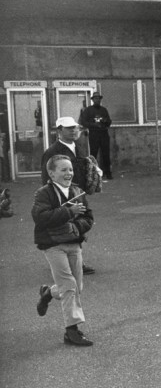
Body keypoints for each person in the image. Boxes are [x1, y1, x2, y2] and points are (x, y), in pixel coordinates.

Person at [33, 155, 94, 346]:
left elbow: (89, 217)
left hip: (73, 243)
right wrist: (69, 212)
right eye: (63, 170)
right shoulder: (44, 193)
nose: (68, 173)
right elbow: (40, 217)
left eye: (70, 169)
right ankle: (71, 331)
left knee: (76, 287)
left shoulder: (77, 191)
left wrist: (78, 227)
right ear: (51, 173)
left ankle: (48, 293)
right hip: (52, 244)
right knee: (68, 285)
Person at [41, 116, 96, 275]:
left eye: (75, 127)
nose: (73, 130)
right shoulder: (52, 152)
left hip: (78, 194)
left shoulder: (77, 146)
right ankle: (69, 264)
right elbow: (47, 177)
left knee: (80, 226)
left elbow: (83, 167)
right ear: (59, 131)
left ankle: (76, 262)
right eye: (68, 128)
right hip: (63, 196)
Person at [80, 91, 113, 180]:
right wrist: (94, 125)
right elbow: (83, 122)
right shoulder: (88, 110)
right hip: (94, 134)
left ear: (100, 99)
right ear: (93, 100)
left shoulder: (104, 110)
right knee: (93, 154)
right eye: (95, 98)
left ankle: (107, 173)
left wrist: (105, 121)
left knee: (106, 153)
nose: (97, 100)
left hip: (104, 133)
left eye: (98, 98)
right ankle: (93, 173)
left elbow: (109, 122)